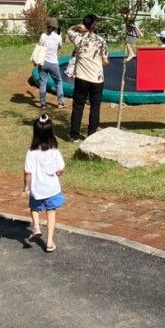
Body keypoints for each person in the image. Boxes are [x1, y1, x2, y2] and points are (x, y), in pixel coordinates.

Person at [23, 113, 65, 253]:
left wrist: (26, 187)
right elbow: (60, 170)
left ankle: (36, 227)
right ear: (50, 132)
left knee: (34, 208)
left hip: (37, 189)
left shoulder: (31, 152)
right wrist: (55, 172)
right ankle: (49, 242)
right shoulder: (54, 151)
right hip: (51, 189)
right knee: (50, 212)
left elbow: (27, 173)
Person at [68, 14, 109, 142]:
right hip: (97, 78)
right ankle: (91, 135)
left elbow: (69, 30)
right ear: (94, 25)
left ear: (84, 25)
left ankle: (74, 135)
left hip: (81, 77)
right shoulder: (101, 41)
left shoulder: (78, 38)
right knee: (95, 107)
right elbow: (105, 60)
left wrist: (77, 27)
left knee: (78, 106)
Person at [37, 17, 65, 109]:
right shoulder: (58, 37)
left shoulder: (43, 36)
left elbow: (40, 46)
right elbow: (59, 47)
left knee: (42, 83)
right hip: (53, 63)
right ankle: (60, 103)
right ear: (56, 27)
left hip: (42, 63)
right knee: (58, 82)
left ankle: (43, 104)